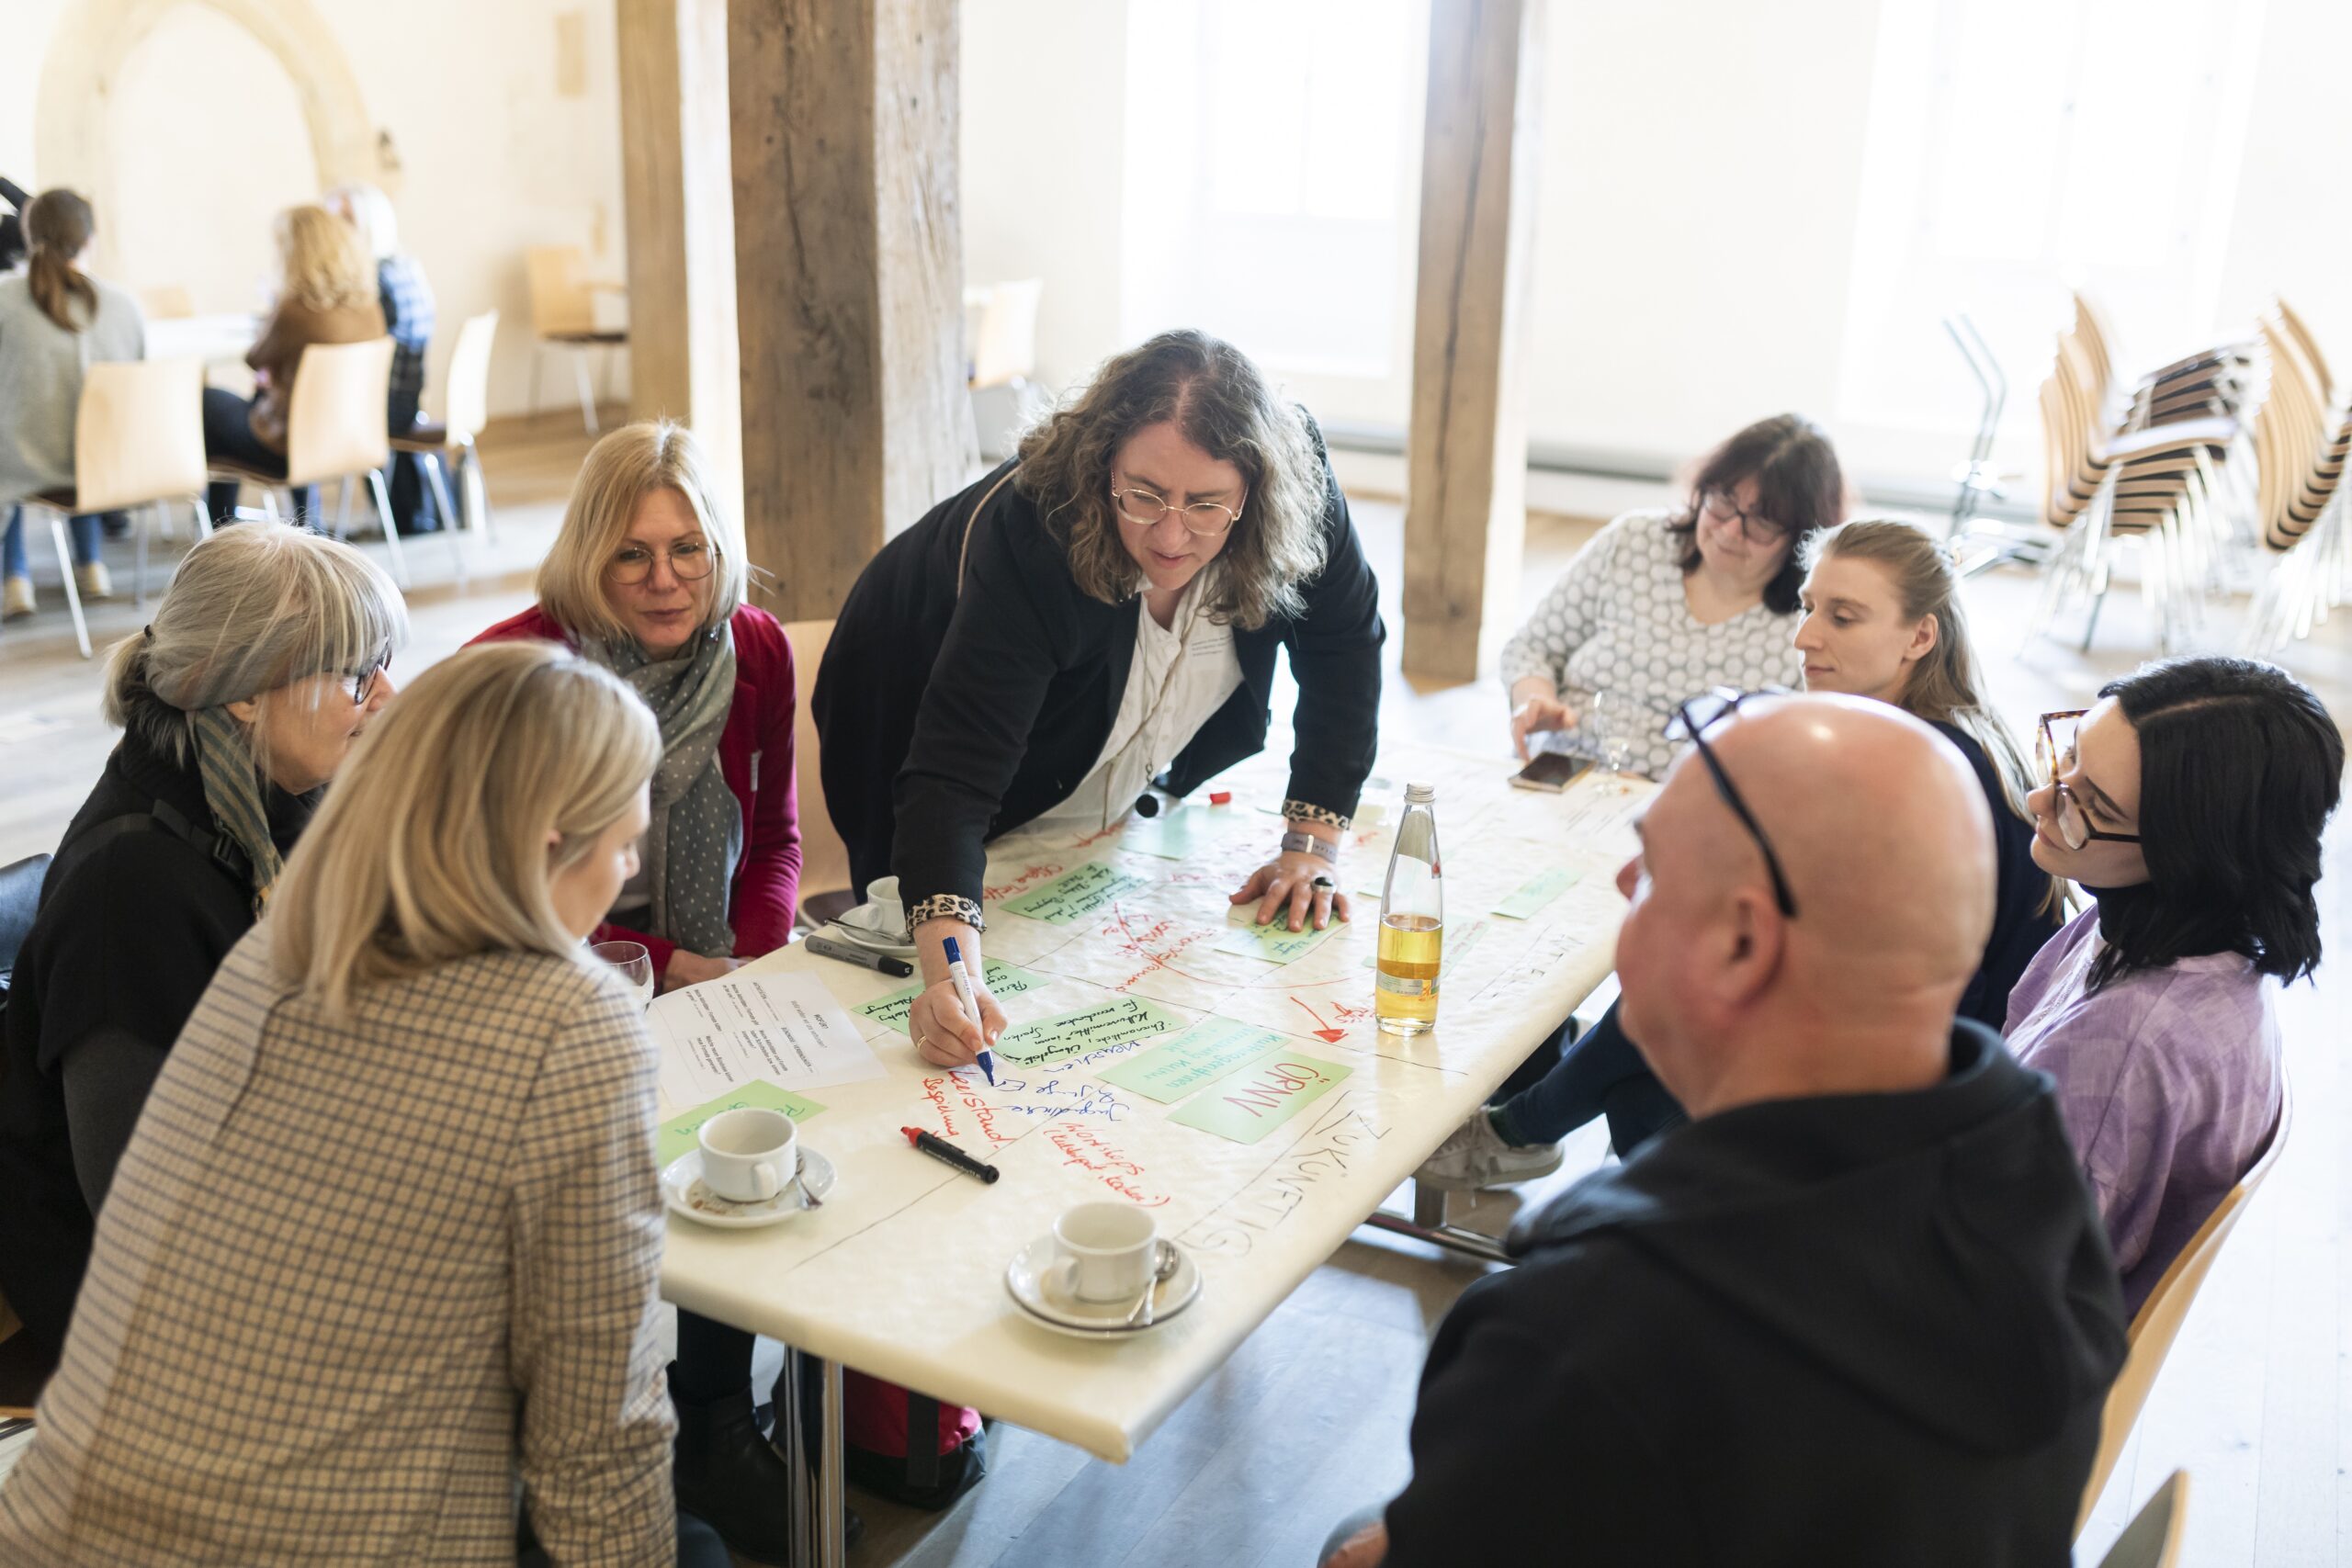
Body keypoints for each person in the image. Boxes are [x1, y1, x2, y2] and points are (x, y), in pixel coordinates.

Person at [1320, 696, 2127, 1568]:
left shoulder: (1592, 1334)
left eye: (1655, 869)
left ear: (1743, 942)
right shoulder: (2029, 1160)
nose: (1626, 883)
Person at [0, 641, 729, 1568]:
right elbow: (601, 1433)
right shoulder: (570, 1021)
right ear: (546, 840)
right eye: (624, 846)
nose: (626, 876)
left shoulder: (292, 929)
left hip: (71, 1515)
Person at [1422, 518, 2071, 1187]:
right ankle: (1527, 1124)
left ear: (1921, 635)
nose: (1804, 637)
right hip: (1954, 1059)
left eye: (1842, 618)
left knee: (1682, 988)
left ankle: (1519, 1132)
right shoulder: (1940, 731)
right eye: (1809, 606)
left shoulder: (1918, 771)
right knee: (1681, 996)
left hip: (1929, 1095)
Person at [816, 328, 1384, 1069]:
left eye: (1208, 504)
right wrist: (952, 977)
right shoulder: (1039, 526)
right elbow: (952, 780)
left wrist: (1312, 842)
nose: (1171, 535)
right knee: (967, 940)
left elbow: (1344, 645)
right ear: (1102, 464)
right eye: (1144, 494)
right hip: (903, 703)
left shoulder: (1300, 484)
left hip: (1083, 758)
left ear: (1255, 489)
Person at [471, 419, 808, 1562]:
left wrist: (749, 964)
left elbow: (773, 840)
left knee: (750, 1153)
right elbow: (504, 889)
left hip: (716, 969)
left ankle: (714, 1414)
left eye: (688, 548)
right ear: (587, 556)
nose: (665, 580)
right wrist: (672, 971)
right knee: (606, 1212)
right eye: (631, 554)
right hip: (557, 976)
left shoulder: (755, 648)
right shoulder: (517, 666)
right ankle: (597, 1442)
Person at [0, 525, 404, 1363]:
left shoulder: (264, 803)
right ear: (245, 692)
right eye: (355, 675)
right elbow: (149, 1212)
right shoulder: (131, 888)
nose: (385, 697)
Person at [2011, 656, 2341, 1314]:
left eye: (2091, 803)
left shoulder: (2123, 1046)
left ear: (2188, 852)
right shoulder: (2190, 945)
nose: (2041, 799)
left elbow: (1991, 1290)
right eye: (2067, 758)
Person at [1498, 412, 1843, 780]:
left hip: (1687, 812)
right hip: (1562, 772)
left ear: (1801, 536)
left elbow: (1787, 767)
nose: (1729, 531)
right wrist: (1535, 699)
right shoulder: (1635, 542)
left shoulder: (1803, 623)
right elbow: (1531, 647)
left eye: (1762, 522)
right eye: (1723, 500)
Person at [0, 187, 143, 617]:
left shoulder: (5, 300)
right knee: (81, 422)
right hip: (108, 464)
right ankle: (92, 564)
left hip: (28, 461)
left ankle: (16, 579)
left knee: (16, 429)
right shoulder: (124, 305)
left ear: (27, 237)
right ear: (90, 240)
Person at [202, 203, 387, 525]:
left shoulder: (294, 309)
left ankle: (221, 527)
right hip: (351, 437)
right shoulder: (369, 307)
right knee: (265, 401)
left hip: (287, 447)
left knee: (207, 402)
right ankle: (306, 520)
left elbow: (254, 358)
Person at [325, 181, 439, 534]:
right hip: (408, 396)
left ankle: (305, 523)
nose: (334, 230)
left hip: (382, 405)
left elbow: (351, 346)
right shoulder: (405, 266)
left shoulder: (375, 280)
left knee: (298, 412)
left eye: (344, 219)